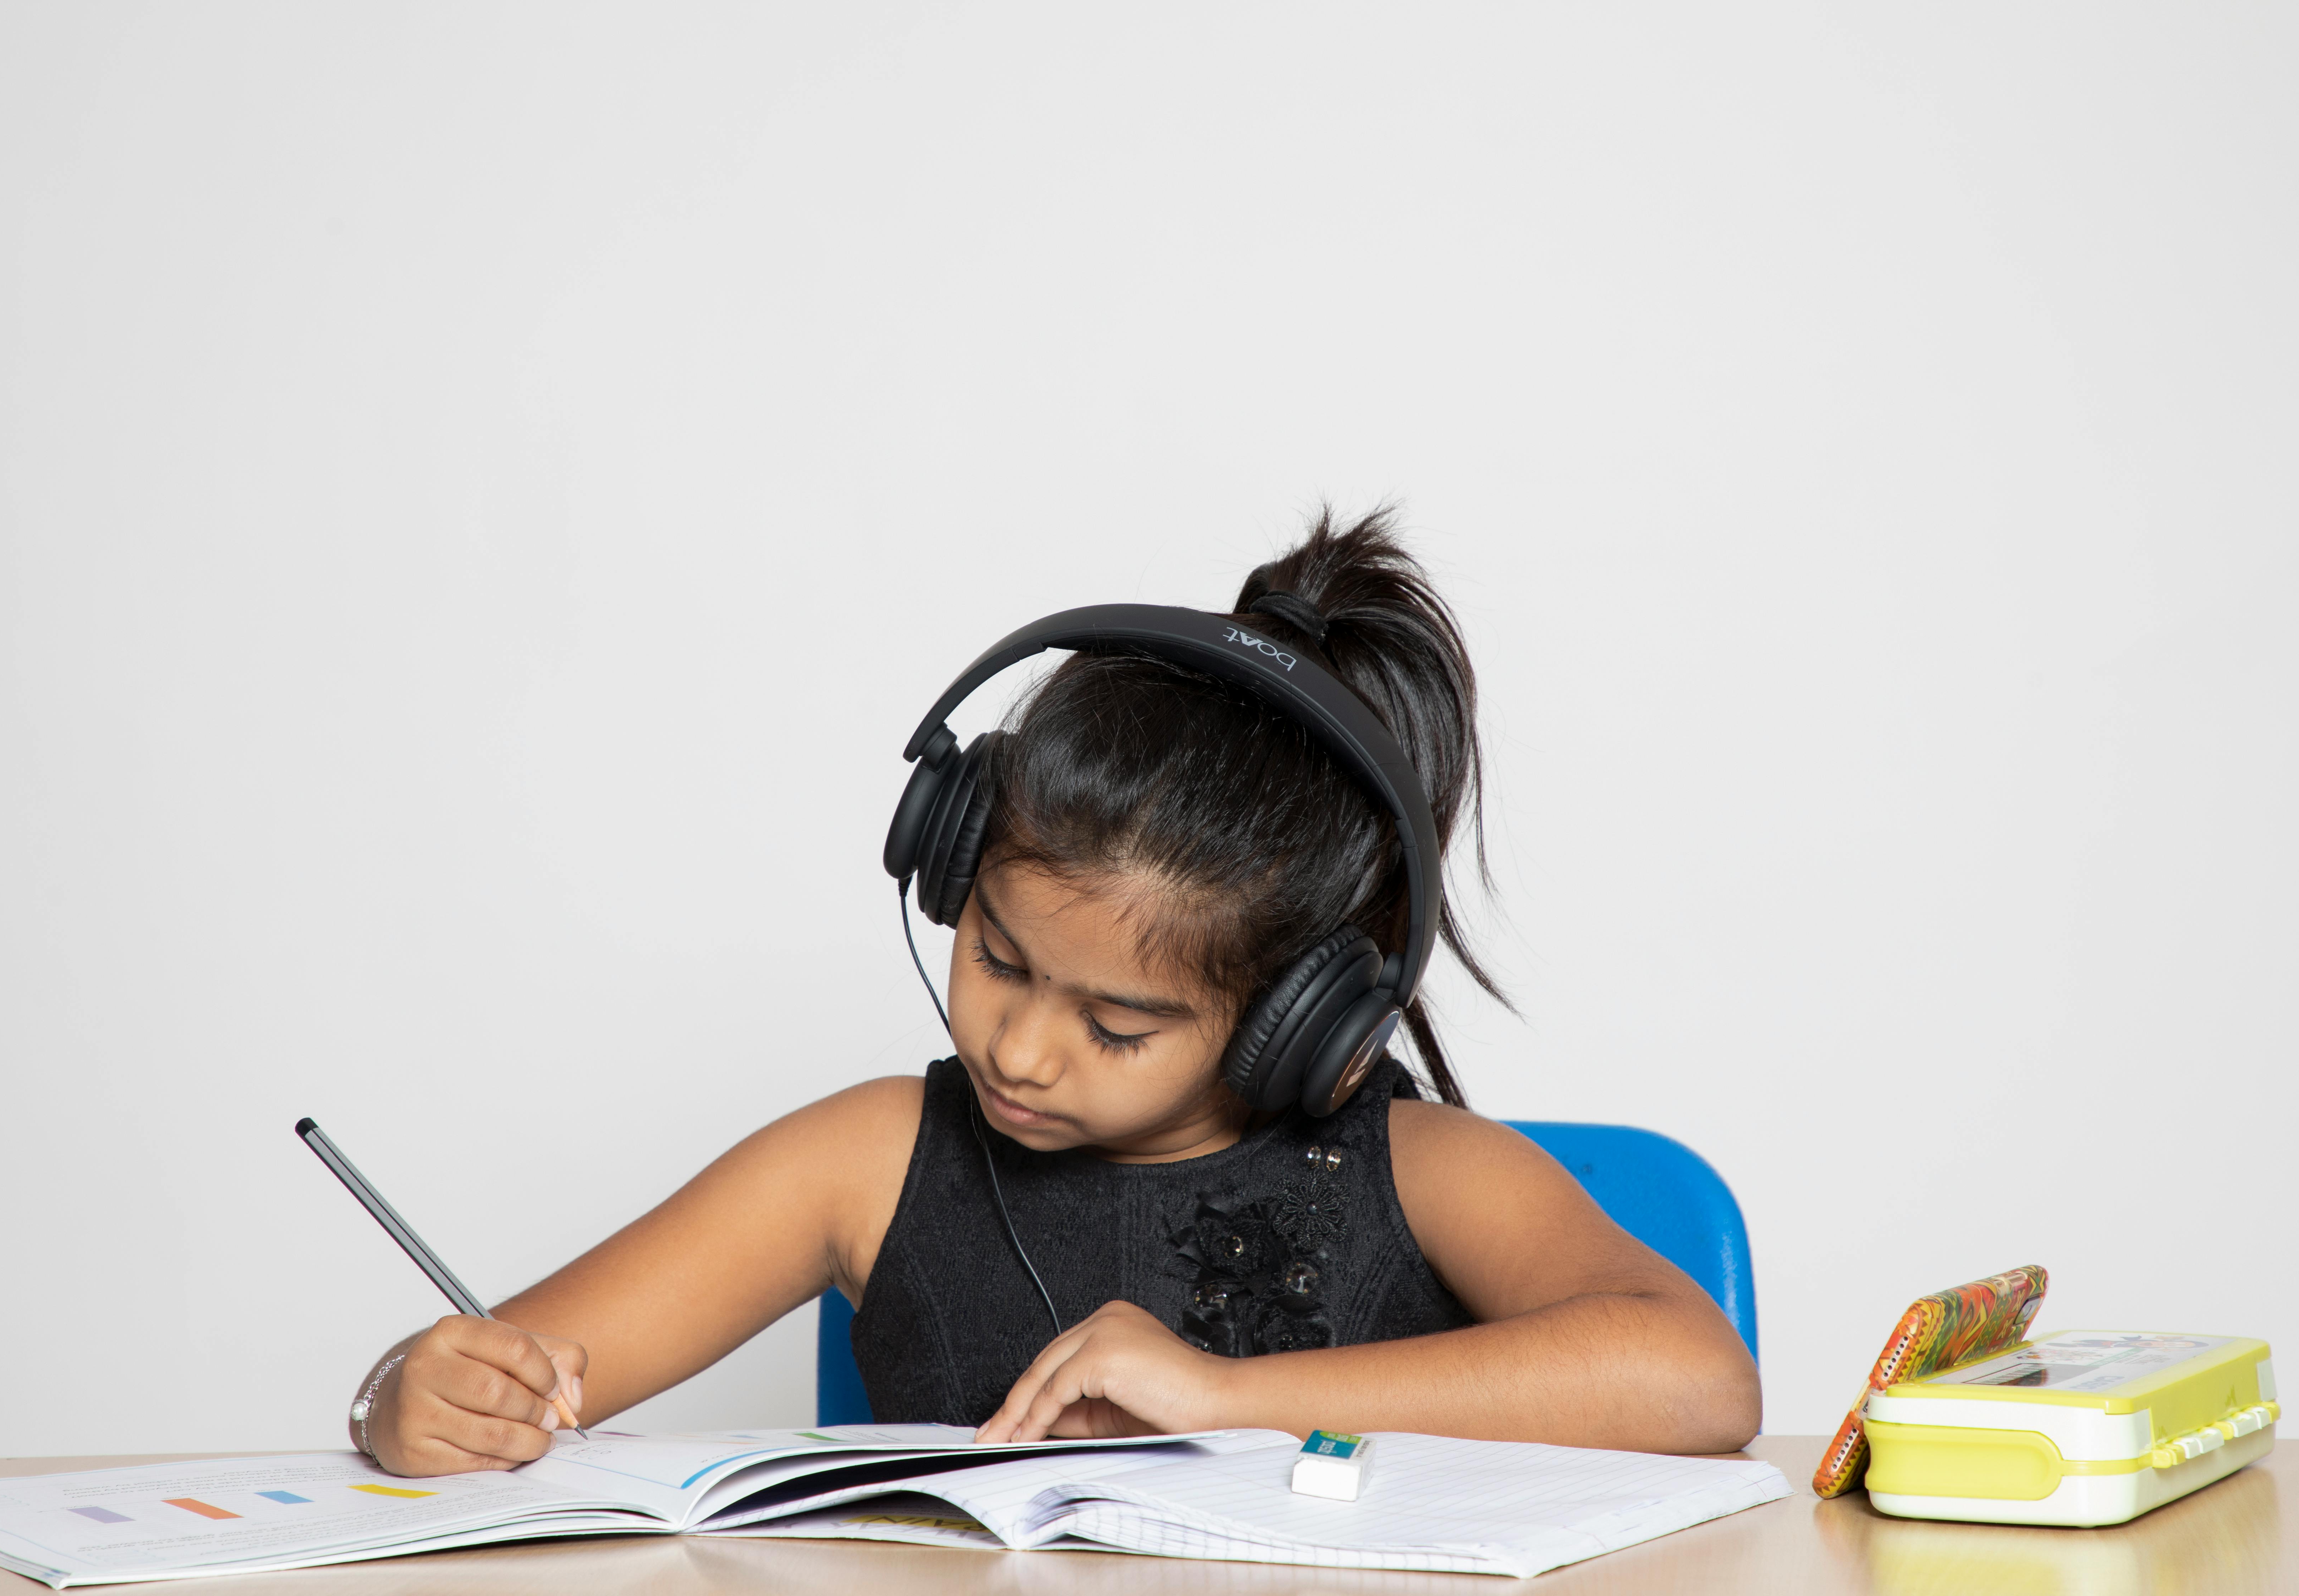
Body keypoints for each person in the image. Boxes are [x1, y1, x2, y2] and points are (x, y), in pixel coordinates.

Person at [351, 510, 1762, 1477]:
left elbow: (1700, 1383)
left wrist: (1220, 1400)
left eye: (1119, 1024)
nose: (1018, 1047)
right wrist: (405, 1399)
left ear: (1297, 1017)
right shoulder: (859, 1161)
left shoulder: (1422, 1169)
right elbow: (507, 1362)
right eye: (999, 958)